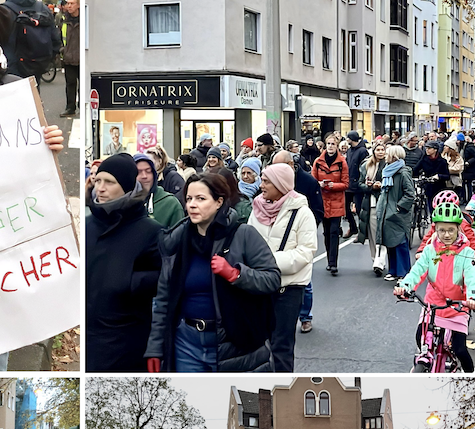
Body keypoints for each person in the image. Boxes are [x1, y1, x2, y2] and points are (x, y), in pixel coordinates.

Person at [144, 170, 281, 372]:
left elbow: (272, 279)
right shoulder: (177, 241)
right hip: (186, 343)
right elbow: (163, 299)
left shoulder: (243, 234)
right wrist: (155, 347)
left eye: (200, 199)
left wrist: (236, 274)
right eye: (189, 199)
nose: (192, 205)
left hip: (234, 342)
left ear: (219, 202)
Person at [86, 153, 165, 371]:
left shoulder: (150, 231)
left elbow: (166, 277)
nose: (100, 188)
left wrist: (128, 281)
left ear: (127, 187)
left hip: (127, 339)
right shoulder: (88, 225)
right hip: (90, 336)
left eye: (110, 182)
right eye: (98, 180)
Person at [245, 162, 318, 371]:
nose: (261, 185)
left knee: (281, 346)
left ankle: (282, 384)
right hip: (259, 287)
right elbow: (247, 242)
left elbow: (306, 252)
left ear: (280, 184)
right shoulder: (257, 208)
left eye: (266, 181)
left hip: (288, 290)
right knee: (258, 343)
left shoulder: (302, 213)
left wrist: (268, 262)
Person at [396, 203, 475, 372]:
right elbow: (417, 271)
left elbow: (473, 278)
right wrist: (404, 287)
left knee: (460, 349)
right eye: (442, 230)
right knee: (420, 338)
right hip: (433, 306)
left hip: (457, 307)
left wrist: (473, 297)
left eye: (451, 230)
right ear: (435, 229)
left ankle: (472, 377)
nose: (446, 234)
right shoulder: (430, 251)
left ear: (458, 229)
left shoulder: (466, 253)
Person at [375, 145, 418, 281]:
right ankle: (393, 270)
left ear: (394, 156)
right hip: (387, 212)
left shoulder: (403, 173)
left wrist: (398, 207)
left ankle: (403, 272)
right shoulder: (388, 171)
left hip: (397, 214)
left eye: (387, 153)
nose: (385, 155)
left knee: (400, 243)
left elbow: (410, 194)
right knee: (390, 242)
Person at [313, 133, 349, 276]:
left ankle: (333, 263)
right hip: (322, 200)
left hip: (336, 201)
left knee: (334, 232)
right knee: (326, 232)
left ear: (337, 146)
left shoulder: (342, 163)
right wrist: (319, 184)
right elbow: (313, 181)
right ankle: (329, 259)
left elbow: (346, 183)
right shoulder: (318, 162)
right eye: (328, 144)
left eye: (333, 144)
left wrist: (334, 185)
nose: (330, 146)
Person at [59, 0, 80, 118]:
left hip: (81, 58)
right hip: (68, 57)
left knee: (83, 84)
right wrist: (62, 49)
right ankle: (70, 107)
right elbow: (59, 36)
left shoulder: (83, 19)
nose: (69, 6)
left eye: (72, 3)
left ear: (78, 5)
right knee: (70, 84)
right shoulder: (64, 20)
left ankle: (82, 106)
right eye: (68, 3)